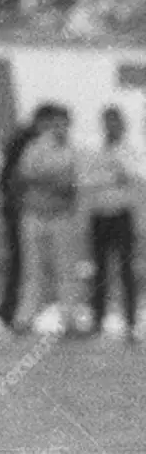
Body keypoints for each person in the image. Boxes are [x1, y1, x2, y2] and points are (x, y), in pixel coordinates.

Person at [13, 103, 79, 334]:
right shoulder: (35, 147)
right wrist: (52, 178)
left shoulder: (71, 151)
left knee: (65, 270)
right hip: (35, 214)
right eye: (56, 124)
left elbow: (71, 184)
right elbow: (27, 174)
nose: (60, 128)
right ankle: (25, 319)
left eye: (64, 124)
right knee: (33, 269)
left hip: (60, 216)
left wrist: (47, 178)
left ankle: (69, 320)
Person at [82, 104, 141, 341]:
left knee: (126, 270)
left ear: (121, 124)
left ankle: (130, 322)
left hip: (122, 214)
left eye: (115, 122)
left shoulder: (131, 148)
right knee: (100, 270)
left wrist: (117, 165)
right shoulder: (94, 148)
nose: (111, 127)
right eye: (107, 122)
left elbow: (136, 175)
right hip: (99, 214)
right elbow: (85, 180)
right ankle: (97, 320)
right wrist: (110, 176)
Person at [0, 106, 50, 330]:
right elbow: (12, 178)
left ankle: (15, 309)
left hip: (21, 209)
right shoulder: (26, 143)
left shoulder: (24, 141)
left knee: (22, 262)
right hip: (20, 210)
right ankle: (12, 310)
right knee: (21, 262)